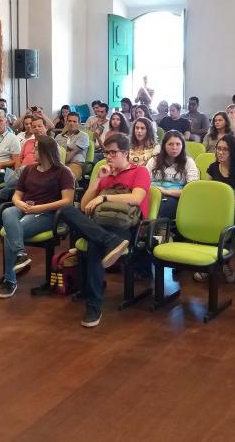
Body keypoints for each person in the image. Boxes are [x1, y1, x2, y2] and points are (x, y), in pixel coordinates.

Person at [58, 134, 150, 328]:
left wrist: (104, 198)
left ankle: (94, 306)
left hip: (124, 227)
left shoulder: (140, 171)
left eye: (113, 153)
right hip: (100, 225)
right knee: (65, 210)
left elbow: (136, 198)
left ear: (125, 153)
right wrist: (98, 180)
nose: (108, 156)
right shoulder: (105, 173)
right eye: (106, 153)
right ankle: (109, 242)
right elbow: (84, 206)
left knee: (94, 247)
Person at [0, 135, 76, 298]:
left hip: (48, 213)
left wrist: (38, 208)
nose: (32, 151)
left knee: (10, 233)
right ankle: (21, 254)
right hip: (26, 207)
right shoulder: (29, 169)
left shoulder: (63, 172)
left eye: (36, 149)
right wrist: (19, 204)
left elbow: (67, 201)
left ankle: (10, 279)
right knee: (7, 212)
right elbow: (17, 195)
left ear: (46, 152)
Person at [203, 134, 235, 283]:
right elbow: (205, 191)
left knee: (224, 227)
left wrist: (224, 198)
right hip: (213, 208)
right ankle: (207, 262)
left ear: (233, 151)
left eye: (225, 149)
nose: (220, 152)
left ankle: (223, 263)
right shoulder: (213, 167)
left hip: (232, 209)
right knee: (205, 222)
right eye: (219, 148)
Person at [146, 130, 199, 220]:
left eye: (178, 144)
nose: (174, 147)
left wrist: (165, 191)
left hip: (174, 197)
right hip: (152, 194)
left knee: (159, 209)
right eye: (170, 144)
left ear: (182, 146)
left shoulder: (188, 162)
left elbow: (191, 190)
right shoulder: (154, 160)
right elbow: (144, 181)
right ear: (164, 145)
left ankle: (153, 227)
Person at [0, 116, 48, 201]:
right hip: (22, 172)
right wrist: (18, 170)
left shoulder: (50, 144)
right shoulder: (28, 142)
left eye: (39, 126)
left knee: (12, 182)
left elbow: (50, 165)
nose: (36, 129)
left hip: (37, 173)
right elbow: (19, 159)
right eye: (34, 127)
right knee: (7, 175)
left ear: (46, 128)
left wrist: (25, 170)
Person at [55, 112, 90, 179]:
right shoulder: (58, 137)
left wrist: (62, 162)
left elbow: (73, 152)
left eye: (74, 121)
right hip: (59, 164)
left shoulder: (83, 136)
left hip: (75, 164)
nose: (71, 123)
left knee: (67, 178)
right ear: (66, 122)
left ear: (79, 123)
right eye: (69, 121)